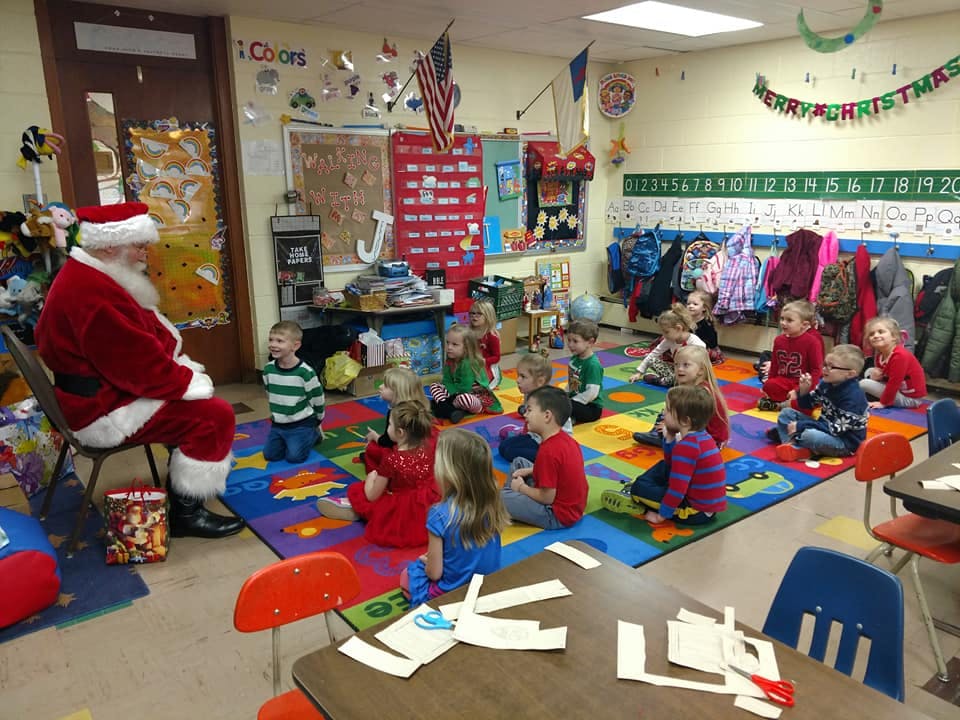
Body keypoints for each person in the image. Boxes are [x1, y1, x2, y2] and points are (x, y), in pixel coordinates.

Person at [35, 202, 243, 538]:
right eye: (139, 245)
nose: (146, 253)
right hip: (103, 410)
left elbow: (133, 349)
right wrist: (186, 381)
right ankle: (187, 515)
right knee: (214, 415)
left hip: (92, 393)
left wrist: (177, 371)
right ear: (110, 246)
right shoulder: (92, 292)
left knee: (195, 399)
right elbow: (139, 369)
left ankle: (183, 472)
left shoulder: (88, 274)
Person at [402, 429, 508, 606]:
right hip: (486, 584)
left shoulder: (439, 514)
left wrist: (427, 562)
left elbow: (434, 573)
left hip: (451, 593)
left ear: (448, 472)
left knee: (409, 573)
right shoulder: (492, 502)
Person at [316, 401, 439, 547]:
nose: (387, 428)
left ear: (400, 433)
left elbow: (372, 495)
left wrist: (370, 479)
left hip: (402, 508)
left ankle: (356, 510)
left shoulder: (392, 460)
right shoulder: (428, 448)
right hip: (429, 502)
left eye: (390, 425)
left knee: (359, 491)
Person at [602, 385, 726, 526]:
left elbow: (678, 490)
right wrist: (670, 437)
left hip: (694, 511)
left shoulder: (687, 447)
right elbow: (670, 463)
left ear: (685, 421)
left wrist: (660, 517)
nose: (663, 413)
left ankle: (642, 502)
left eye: (667, 410)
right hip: (706, 505)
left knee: (638, 489)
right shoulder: (701, 437)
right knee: (663, 466)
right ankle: (649, 491)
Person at [501, 386, 587, 529]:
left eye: (529, 410)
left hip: (556, 514)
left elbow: (547, 498)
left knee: (497, 499)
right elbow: (559, 471)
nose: (525, 415)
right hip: (571, 505)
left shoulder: (549, 451)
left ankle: (510, 498)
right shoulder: (565, 440)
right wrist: (531, 471)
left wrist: (522, 488)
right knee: (519, 462)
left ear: (547, 416)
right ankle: (512, 496)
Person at [772, 344, 869, 461]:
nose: (825, 369)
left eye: (831, 367)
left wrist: (801, 425)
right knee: (786, 413)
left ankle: (796, 442)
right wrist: (804, 391)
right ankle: (792, 445)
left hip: (844, 442)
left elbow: (836, 429)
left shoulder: (853, 397)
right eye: (825, 364)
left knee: (810, 435)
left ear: (850, 374)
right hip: (824, 427)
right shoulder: (826, 383)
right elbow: (807, 405)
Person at [633, 345, 729, 449]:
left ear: (701, 370)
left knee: (673, 407)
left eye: (686, 365)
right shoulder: (694, 386)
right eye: (676, 365)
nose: (679, 369)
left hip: (710, 441)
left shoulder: (701, 392)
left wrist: (669, 428)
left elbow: (693, 422)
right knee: (671, 407)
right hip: (708, 436)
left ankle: (663, 435)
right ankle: (659, 433)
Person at [262, 321, 325, 464]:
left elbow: (317, 397)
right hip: (279, 423)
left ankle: (314, 434)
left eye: (280, 341)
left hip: (301, 423)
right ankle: (290, 439)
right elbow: (269, 393)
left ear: (295, 346)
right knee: (270, 455)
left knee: (294, 457)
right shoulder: (268, 369)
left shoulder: (305, 372)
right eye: (271, 340)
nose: (273, 344)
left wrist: (318, 418)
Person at [498, 353, 574, 463]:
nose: (517, 380)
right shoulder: (530, 394)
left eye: (523, 377)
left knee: (510, 451)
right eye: (518, 375)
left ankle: (549, 459)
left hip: (553, 444)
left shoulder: (546, 400)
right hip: (536, 436)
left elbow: (548, 432)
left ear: (540, 381)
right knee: (504, 446)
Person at [757, 300, 824, 412]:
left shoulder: (812, 342)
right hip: (784, 381)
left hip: (803, 384)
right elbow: (775, 366)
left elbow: (816, 370)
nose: (783, 323)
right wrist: (768, 386)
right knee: (769, 385)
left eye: (789, 320)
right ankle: (784, 403)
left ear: (804, 325)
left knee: (809, 399)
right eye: (782, 319)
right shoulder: (779, 340)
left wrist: (798, 391)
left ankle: (782, 405)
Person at [360, 366, 429, 474]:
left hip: (400, 454)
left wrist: (374, 436)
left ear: (398, 393)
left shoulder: (396, 413)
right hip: (421, 451)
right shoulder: (419, 409)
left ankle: (377, 468)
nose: (380, 386)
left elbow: (387, 442)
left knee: (371, 449)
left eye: (386, 385)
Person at [429, 323, 501, 423]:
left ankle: (443, 407)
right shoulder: (450, 360)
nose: (449, 347)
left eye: (454, 344)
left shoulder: (469, 363)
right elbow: (447, 380)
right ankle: (449, 409)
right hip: (455, 394)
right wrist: (451, 393)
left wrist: (450, 398)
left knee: (464, 399)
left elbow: (465, 388)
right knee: (434, 386)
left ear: (466, 347)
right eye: (448, 343)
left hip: (475, 398)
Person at [630, 304, 705, 387]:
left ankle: (660, 380)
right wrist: (639, 373)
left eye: (666, 332)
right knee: (652, 360)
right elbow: (654, 353)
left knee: (679, 379)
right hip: (677, 371)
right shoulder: (669, 340)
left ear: (678, 328)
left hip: (692, 373)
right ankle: (670, 380)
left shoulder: (695, 342)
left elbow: (703, 363)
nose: (663, 335)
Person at [860, 316, 927, 409]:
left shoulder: (900, 355)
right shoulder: (880, 355)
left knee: (863, 383)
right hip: (899, 390)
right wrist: (878, 376)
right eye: (871, 334)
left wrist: (883, 403)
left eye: (881, 332)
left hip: (911, 399)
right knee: (870, 371)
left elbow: (894, 382)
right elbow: (887, 376)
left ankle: (883, 399)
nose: (875, 336)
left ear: (894, 337)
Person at [566, 318, 605, 424]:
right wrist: (564, 394)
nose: (570, 345)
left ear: (590, 342)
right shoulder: (574, 358)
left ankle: (567, 417)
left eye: (575, 341)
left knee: (562, 405)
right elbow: (572, 382)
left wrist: (571, 401)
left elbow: (592, 393)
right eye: (569, 340)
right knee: (552, 397)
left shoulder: (593, 365)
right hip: (575, 400)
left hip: (590, 407)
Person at [686, 290, 725, 365]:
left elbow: (712, 343)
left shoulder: (707, 323)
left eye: (695, 304)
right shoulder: (687, 320)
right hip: (692, 346)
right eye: (688, 304)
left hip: (706, 348)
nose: (690, 306)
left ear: (704, 308)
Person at [469, 299, 501, 389]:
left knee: (478, 386)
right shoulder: (469, 333)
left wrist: (484, 361)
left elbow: (497, 357)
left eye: (479, 314)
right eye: (472, 313)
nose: (474, 316)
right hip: (473, 365)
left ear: (488, 316)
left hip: (487, 368)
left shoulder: (492, 337)